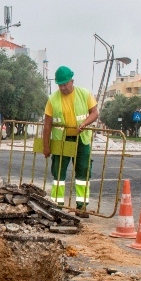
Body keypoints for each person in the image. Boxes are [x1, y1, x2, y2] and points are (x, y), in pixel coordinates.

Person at [41, 65, 99, 218]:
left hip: (82, 139)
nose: (63, 87)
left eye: (65, 84)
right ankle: (57, 206)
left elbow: (94, 113)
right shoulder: (52, 99)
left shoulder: (84, 94)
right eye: (60, 84)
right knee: (58, 172)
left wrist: (85, 123)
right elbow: (47, 124)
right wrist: (45, 146)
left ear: (72, 81)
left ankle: (82, 207)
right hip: (62, 140)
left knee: (83, 172)